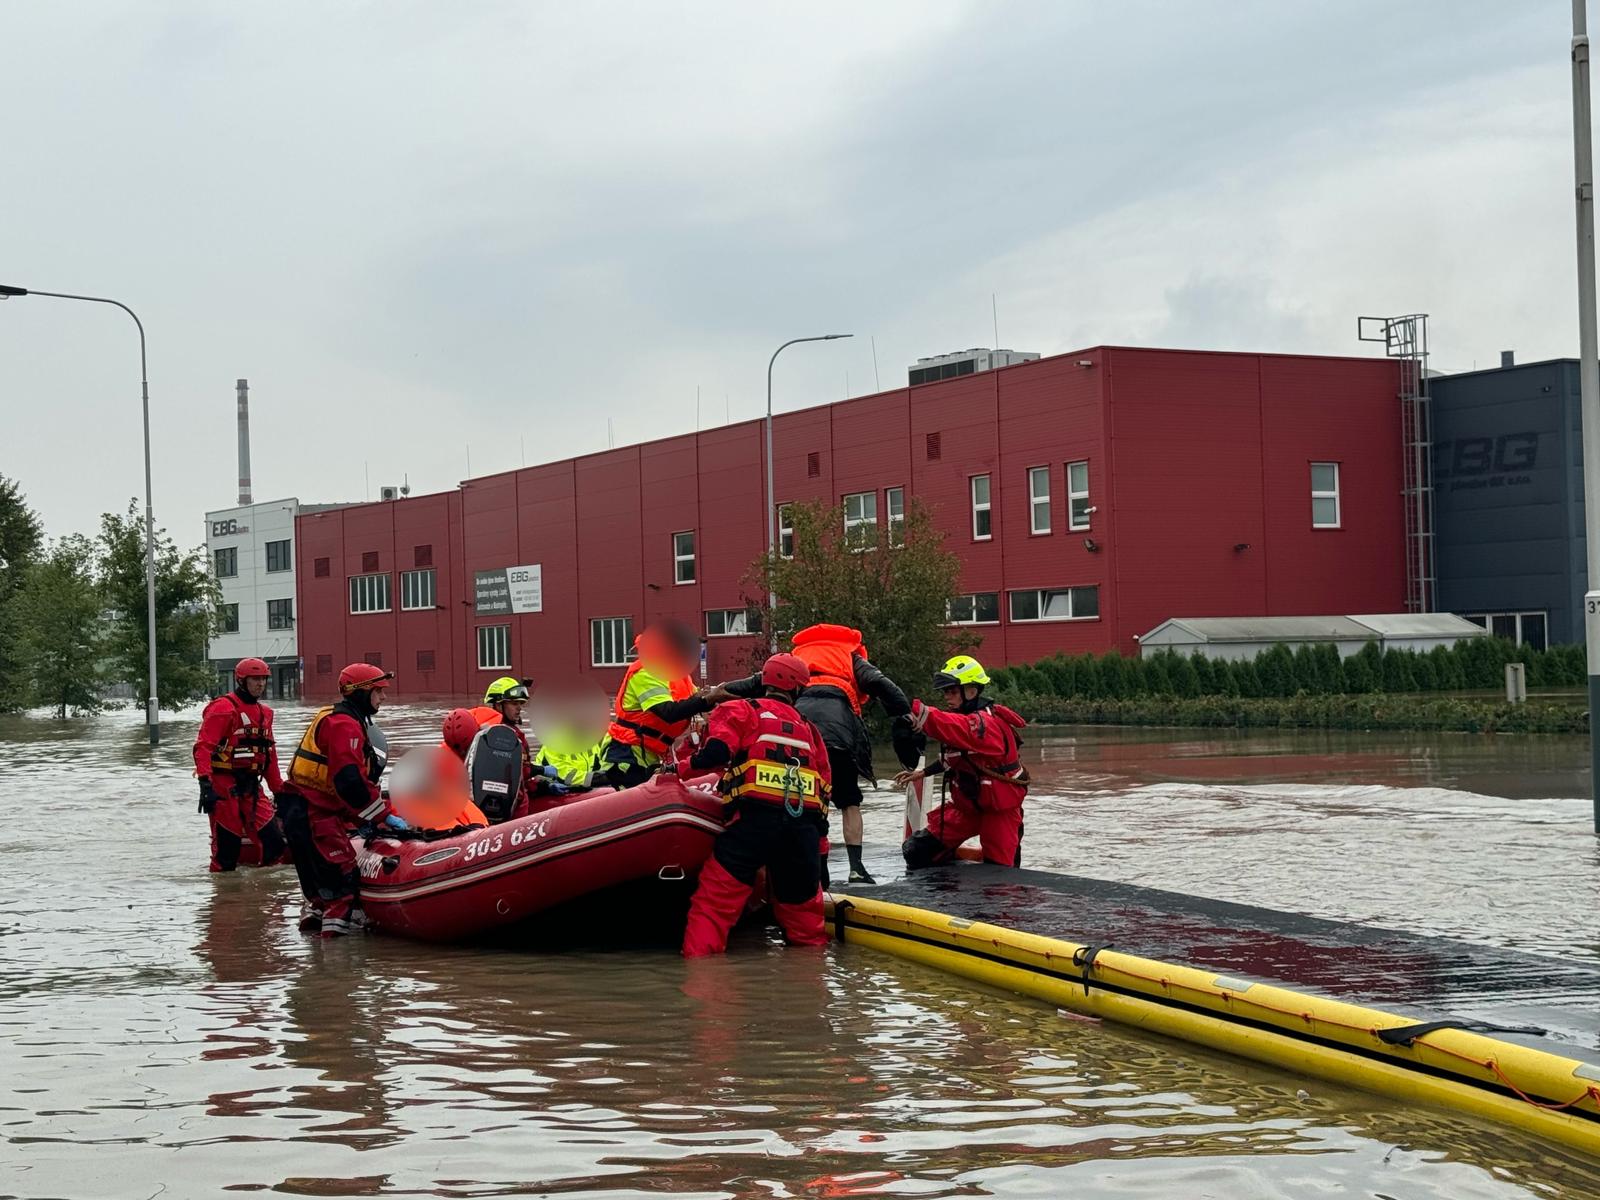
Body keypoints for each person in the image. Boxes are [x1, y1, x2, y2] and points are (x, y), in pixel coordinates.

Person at [709, 623, 918, 885]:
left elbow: (757, 682)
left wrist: (717, 692)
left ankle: (816, 865)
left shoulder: (797, 658)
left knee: (806, 798)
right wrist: (904, 713)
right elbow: (880, 683)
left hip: (800, 729)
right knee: (849, 801)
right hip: (840, 731)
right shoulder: (849, 657)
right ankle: (856, 869)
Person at [674, 652, 833, 956]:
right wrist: (821, 858)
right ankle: (812, 990)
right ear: (797, 689)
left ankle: (703, 980)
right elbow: (823, 799)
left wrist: (677, 770)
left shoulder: (741, 710)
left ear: (763, 682)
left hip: (752, 826)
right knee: (806, 924)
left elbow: (716, 754)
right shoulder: (810, 732)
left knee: (713, 907)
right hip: (801, 834)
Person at [277, 662, 405, 936]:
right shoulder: (344, 725)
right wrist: (383, 816)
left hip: (304, 811)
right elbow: (349, 782)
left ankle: (318, 953)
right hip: (314, 816)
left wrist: (369, 816)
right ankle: (338, 968)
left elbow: (338, 785)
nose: (383, 697)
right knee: (342, 884)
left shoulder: (335, 717)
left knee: (323, 894)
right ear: (360, 693)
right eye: (378, 691)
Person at [894, 655, 1028, 869]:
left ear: (972, 690)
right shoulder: (965, 720)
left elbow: (960, 729)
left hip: (999, 812)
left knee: (1000, 876)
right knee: (917, 850)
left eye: (953, 691)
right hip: (968, 809)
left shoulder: (986, 724)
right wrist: (924, 773)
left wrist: (918, 711)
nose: (948, 697)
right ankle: (945, 895)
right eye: (946, 692)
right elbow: (957, 758)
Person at [192, 657, 287, 872]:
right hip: (223, 786)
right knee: (227, 850)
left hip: (252, 786)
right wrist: (205, 784)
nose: (260, 684)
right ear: (242, 681)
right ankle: (226, 900)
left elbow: (269, 754)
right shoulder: (223, 708)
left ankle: (262, 897)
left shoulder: (265, 714)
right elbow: (203, 748)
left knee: (274, 843)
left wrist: (278, 789)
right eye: (255, 679)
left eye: (263, 679)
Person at [597, 622, 713, 789]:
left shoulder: (677, 673)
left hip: (649, 750)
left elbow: (696, 699)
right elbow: (668, 712)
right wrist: (707, 700)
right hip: (628, 751)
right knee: (633, 805)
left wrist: (726, 694)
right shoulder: (648, 670)